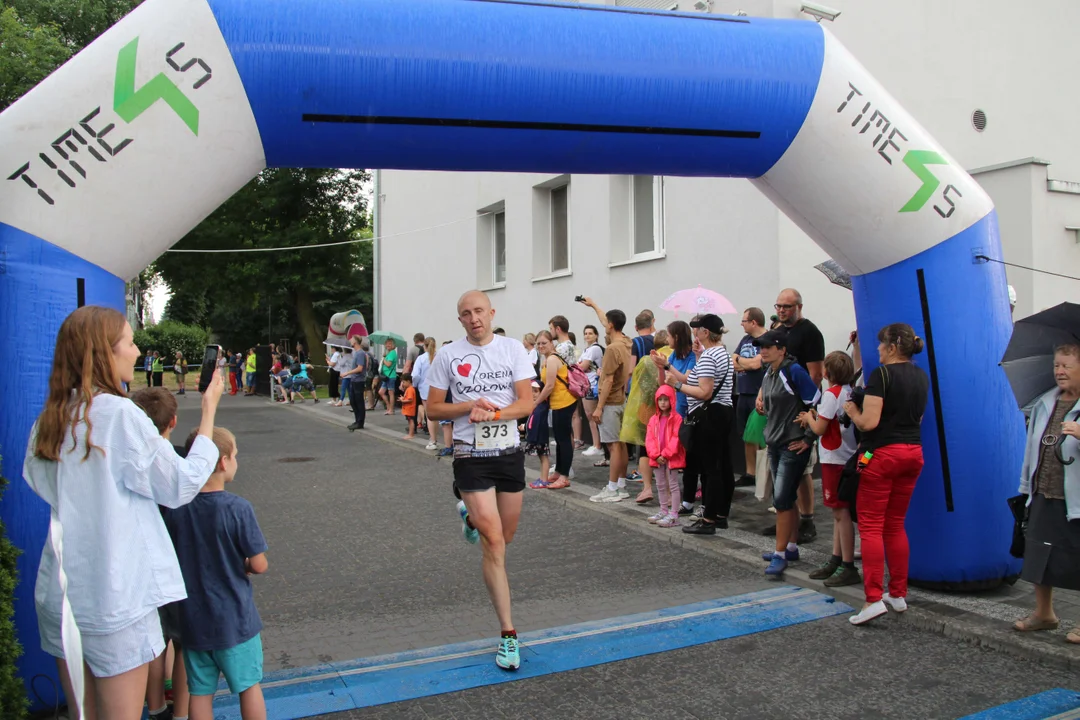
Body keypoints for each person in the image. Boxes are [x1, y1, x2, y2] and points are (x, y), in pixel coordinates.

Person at [23, 306, 223, 720]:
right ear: (104, 353)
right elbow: (179, 485)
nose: (137, 351)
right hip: (116, 595)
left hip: (63, 592)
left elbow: (42, 484)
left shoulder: (50, 420)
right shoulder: (118, 415)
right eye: (130, 343)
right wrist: (208, 414)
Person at [426, 290, 536, 671]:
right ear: (460, 321)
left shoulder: (512, 350)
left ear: (491, 313)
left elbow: (527, 402)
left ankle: (469, 517)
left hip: (508, 453)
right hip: (470, 455)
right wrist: (469, 407)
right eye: (465, 314)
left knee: (505, 537)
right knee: (493, 544)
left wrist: (499, 413)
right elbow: (433, 407)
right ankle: (508, 634)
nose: (473, 318)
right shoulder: (448, 356)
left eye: (478, 312)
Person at [164, 427, 268, 720]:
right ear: (223, 461)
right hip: (235, 619)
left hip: (193, 620)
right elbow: (259, 564)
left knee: (199, 692)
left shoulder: (175, 509)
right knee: (248, 686)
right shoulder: (237, 508)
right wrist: (244, 564)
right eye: (235, 455)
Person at [843, 323, 928, 625]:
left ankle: (872, 599)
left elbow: (868, 422)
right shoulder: (920, 375)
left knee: (870, 527)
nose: (877, 349)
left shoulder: (881, 375)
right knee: (895, 524)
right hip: (913, 453)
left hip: (881, 455)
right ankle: (898, 592)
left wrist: (852, 410)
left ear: (892, 347)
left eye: (880, 344)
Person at [129, 387, 189, 720]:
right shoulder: (181, 461)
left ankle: (154, 707)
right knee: (182, 644)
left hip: (144, 565)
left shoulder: (128, 464)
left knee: (154, 643)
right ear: (173, 422)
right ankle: (181, 711)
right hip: (177, 566)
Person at [1013, 343, 1080, 643]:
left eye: (1066, 365)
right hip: (1044, 488)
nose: (1059, 371)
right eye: (1056, 365)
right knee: (1040, 552)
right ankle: (1044, 614)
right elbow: (1032, 446)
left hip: (1075, 496)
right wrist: (1026, 485)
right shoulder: (1045, 402)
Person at [653, 314, 734, 533]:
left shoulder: (709, 356)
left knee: (711, 469)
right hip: (723, 412)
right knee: (721, 466)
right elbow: (693, 379)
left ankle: (709, 520)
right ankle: (720, 514)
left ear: (705, 332)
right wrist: (669, 368)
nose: (694, 334)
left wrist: (676, 387)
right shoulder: (719, 353)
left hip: (710, 415)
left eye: (697, 330)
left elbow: (704, 392)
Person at [755, 329, 820, 576]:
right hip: (775, 443)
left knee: (781, 500)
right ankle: (790, 547)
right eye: (761, 346)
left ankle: (780, 554)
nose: (763, 349)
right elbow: (776, 403)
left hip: (792, 443)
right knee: (786, 498)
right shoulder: (769, 372)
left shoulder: (793, 371)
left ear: (781, 349)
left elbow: (817, 402)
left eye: (768, 346)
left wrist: (808, 438)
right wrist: (763, 407)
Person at [798, 351, 860, 587]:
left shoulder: (831, 395)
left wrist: (808, 418)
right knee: (839, 511)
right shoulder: (849, 392)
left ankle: (847, 564)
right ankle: (836, 558)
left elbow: (820, 428)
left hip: (834, 458)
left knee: (840, 512)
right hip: (847, 454)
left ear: (826, 373)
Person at [773, 288, 825, 543]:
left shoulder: (810, 332)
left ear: (799, 307)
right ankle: (787, 520)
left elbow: (816, 374)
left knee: (802, 466)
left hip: (801, 409)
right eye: (779, 306)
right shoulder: (778, 332)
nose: (782, 311)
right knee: (781, 465)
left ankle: (807, 520)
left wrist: (810, 410)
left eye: (787, 307)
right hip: (779, 409)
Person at [581, 297, 633, 503]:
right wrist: (593, 305)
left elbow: (609, 380)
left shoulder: (612, 349)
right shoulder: (626, 341)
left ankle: (612, 488)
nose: (603, 327)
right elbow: (606, 320)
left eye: (606, 325)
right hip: (621, 400)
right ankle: (621, 486)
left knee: (613, 446)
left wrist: (599, 408)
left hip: (610, 402)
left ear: (611, 326)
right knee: (620, 445)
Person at [534, 330, 575, 489]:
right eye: (538, 343)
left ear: (552, 343)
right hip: (558, 403)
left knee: (564, 440)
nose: (540, 346)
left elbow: (550, 385)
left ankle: (564, 476)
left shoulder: (552, 359)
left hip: (563, 402)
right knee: (559, 439)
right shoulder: (548, 359)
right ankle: (558, 471)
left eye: (544, 343)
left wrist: (536, 402)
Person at [733, 308, 767, 487]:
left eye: (744, 320)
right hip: (743, 392)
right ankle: (750, 472)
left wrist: (742, 362)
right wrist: (743, 363)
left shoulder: (766, 340)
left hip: (758, 393)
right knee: (747, 435)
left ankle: (764, 471)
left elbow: (757, 364)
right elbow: (733, 359)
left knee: (760, 435)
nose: (741, 323)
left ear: (754, 322)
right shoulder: (745, 340)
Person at [645, 385, 686, 528]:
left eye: (666, 399)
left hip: (671, 458)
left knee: (673, 485)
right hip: (658, 458)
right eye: (660, 400)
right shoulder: (653, 420)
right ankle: (663, 510)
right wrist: (656, 455)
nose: (663, 403)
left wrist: (666, 454)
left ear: (672, 400)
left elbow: (676, 439)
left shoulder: (677, 418)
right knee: (660, 485)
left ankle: (674, 514)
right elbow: (649, 439)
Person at [579, 325, 605, 458]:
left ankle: (598, 445)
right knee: (589, 415)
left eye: (590, 333)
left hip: (592, 385)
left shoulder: (594, 348)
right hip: (586, 384)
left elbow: (582, 366)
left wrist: (576, 366)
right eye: (585, 333)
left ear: (596, 335)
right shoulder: (587, 350)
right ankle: (596, 444)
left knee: (592, 415)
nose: (587, 335)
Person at [524, 380, 552, 488]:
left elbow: (537, 424)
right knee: (542, 458)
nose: (532, 394)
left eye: (535, 391)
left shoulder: (541, 407)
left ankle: (544, 480)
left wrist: (534, 439)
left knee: (543, 458)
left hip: (540, 438)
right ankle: (542, 478)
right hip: (538, 437)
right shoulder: (536, 407)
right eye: (530, 391)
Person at [413, 337, 438, 449]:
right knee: (437, 415)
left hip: (425, 388)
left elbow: (416, 375)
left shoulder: (421, 358)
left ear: (424, 346)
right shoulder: (439, 356)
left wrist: (415, 385)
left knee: (430, 415)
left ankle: (433, 440)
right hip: (439, 389)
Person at [341, 336, 369, 431]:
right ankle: (357, 420)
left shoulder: (360, 353)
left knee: (359, 401)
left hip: (358, 381)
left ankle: (360, 422)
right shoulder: (356, 353)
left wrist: (347, 373)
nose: (350, 341)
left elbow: (360, 368)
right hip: (354, 380)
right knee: (353, 401)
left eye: (351, 340)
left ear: (355, 342)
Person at [377, 339, 399, 414]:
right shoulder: (389, 353)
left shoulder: (392, 353)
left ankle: (391, 410)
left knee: (391, 392)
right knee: (381, 392)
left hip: (390, 376)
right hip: (386, 376)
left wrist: (383, 360)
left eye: (389, 344)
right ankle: (389, 407)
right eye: (386, 344)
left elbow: (389, 364)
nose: (387, 345)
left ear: (393, 345)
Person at [400, 373, 418, 439]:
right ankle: (411, 434)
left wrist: (403, 400)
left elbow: (410, 399)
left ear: (408, 381)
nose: (403, 384)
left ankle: (411, 434)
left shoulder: (410, 389)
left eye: (404, 382)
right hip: (409, 409)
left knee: (411, 421)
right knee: (410, 421)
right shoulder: (409, 389)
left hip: (409, 409)